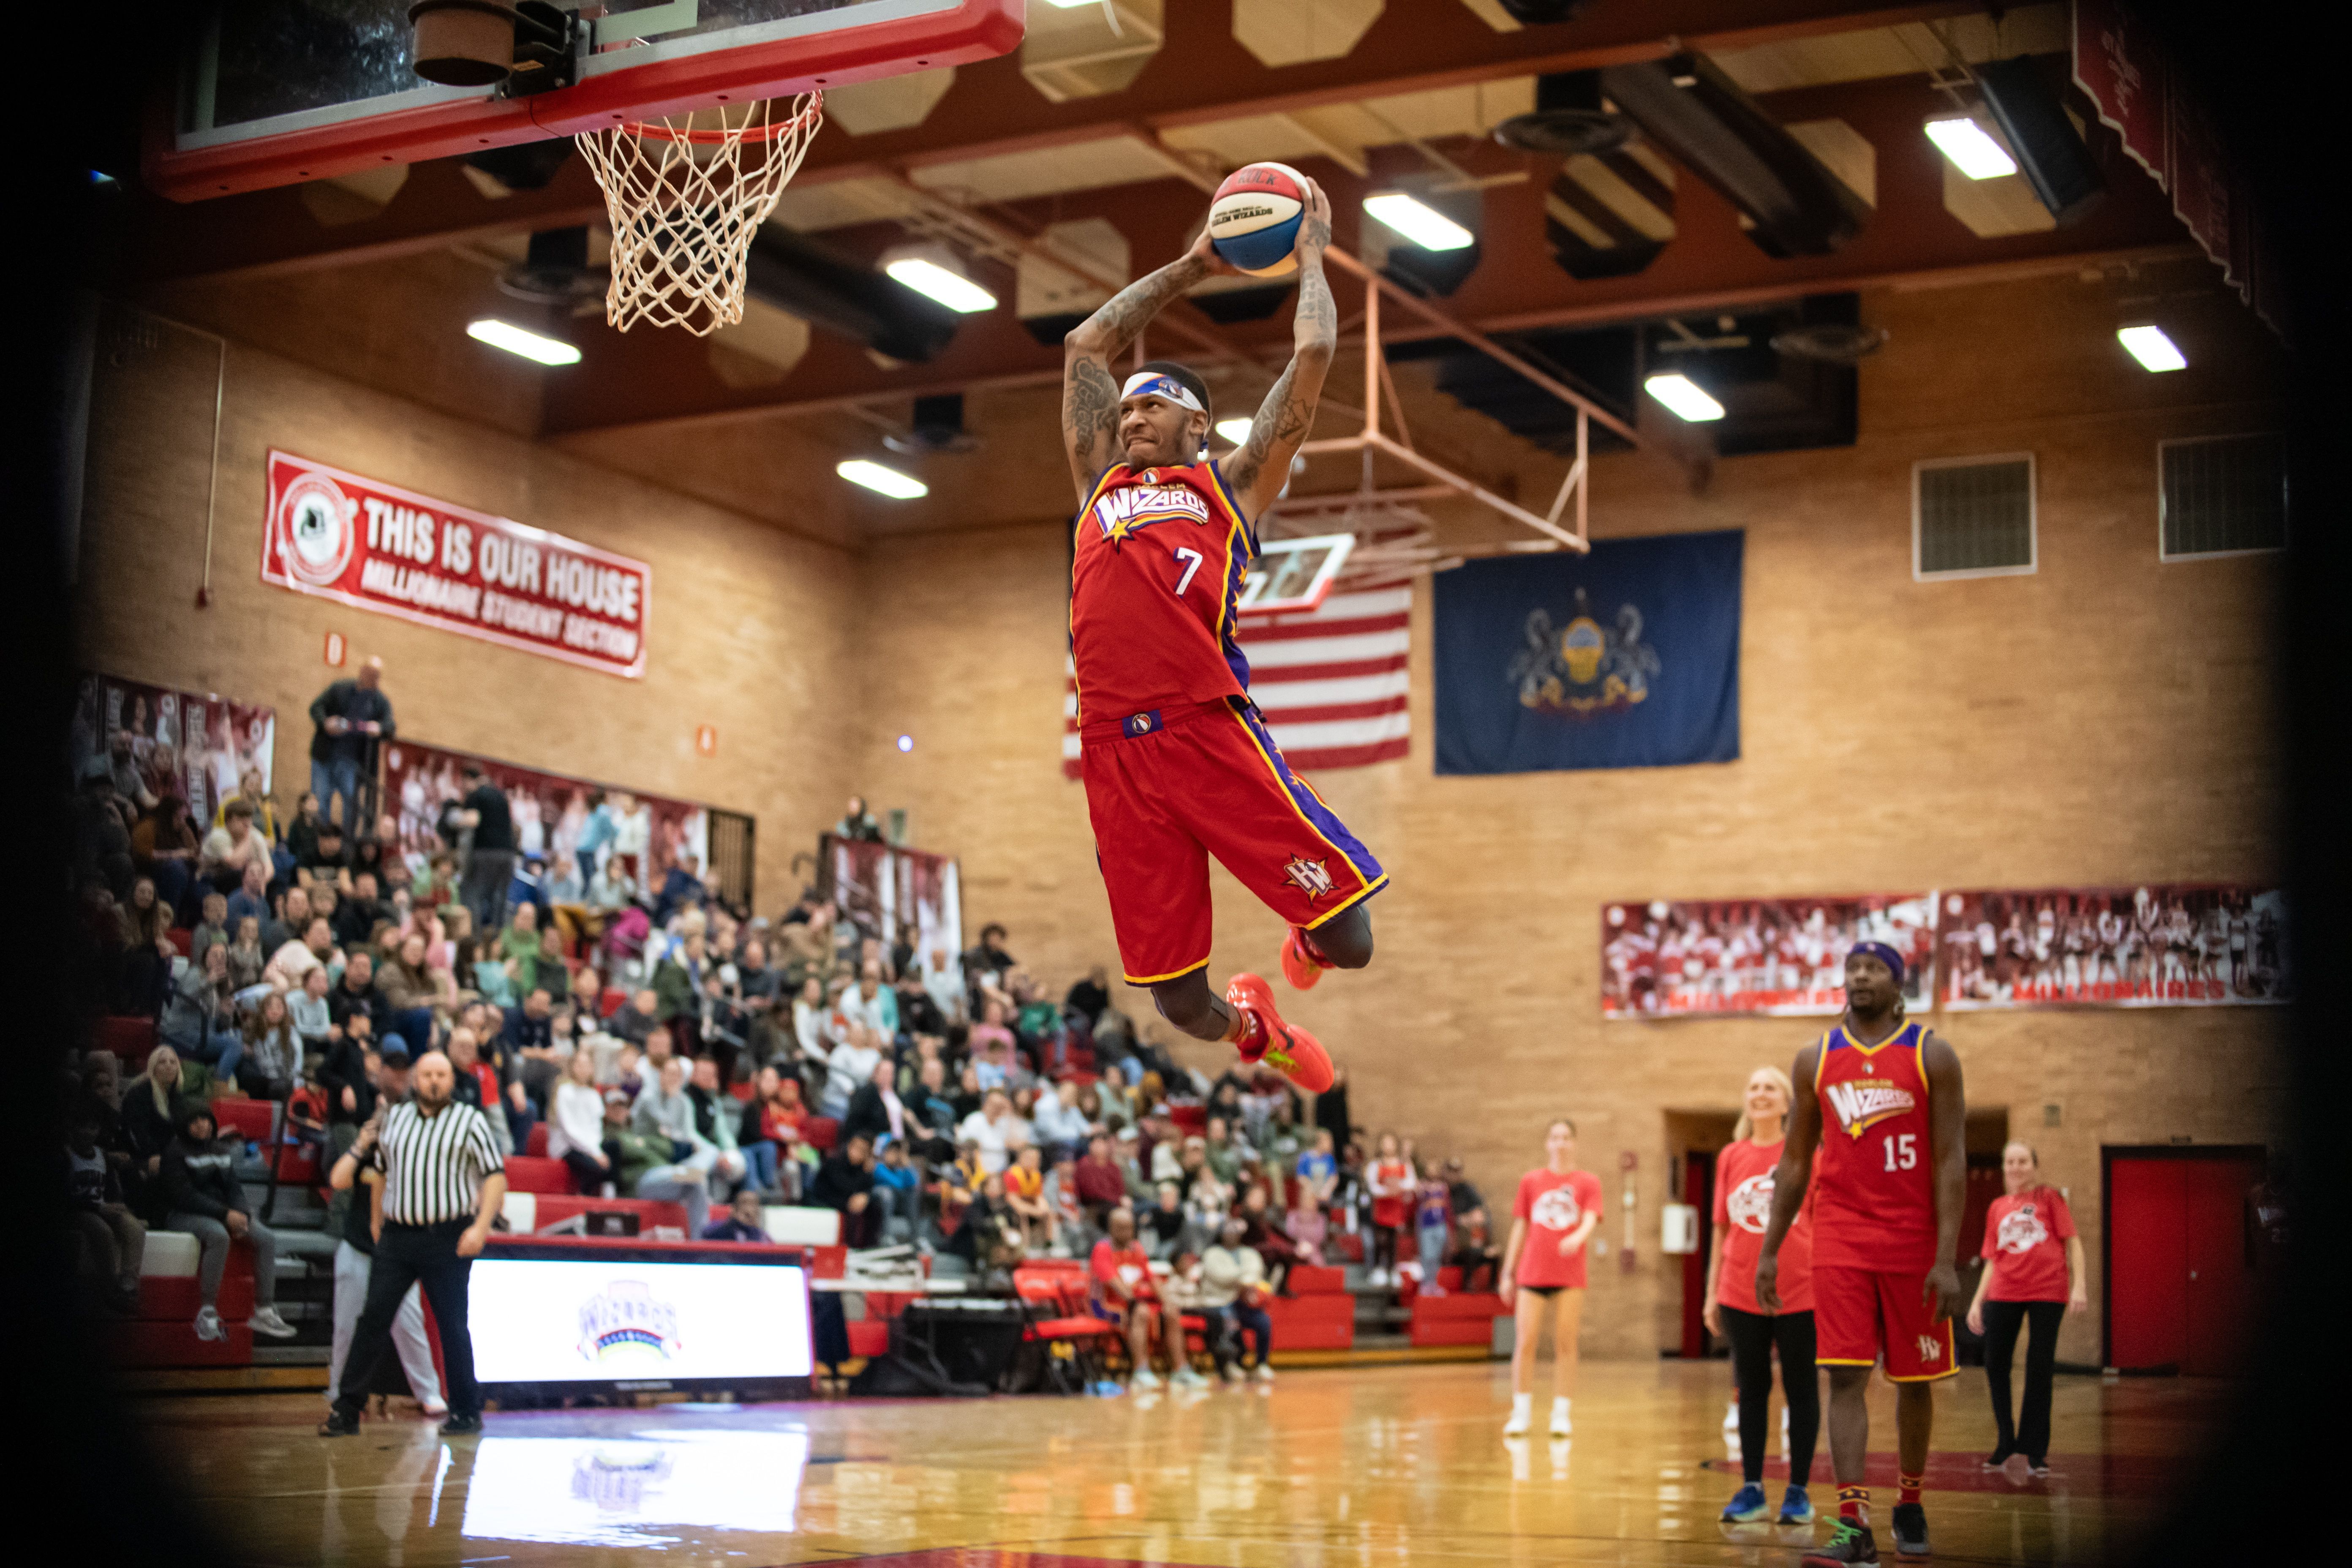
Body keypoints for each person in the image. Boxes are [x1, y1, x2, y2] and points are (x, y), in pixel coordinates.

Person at [1057, 172, 1372, 1097]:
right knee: (1178, 1006)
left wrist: (1308, 250)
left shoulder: (1228, 491)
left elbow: (1312, 353)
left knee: (1351, 942)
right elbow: (1088, 342)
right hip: (1113, 747)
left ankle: (1304, 934)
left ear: (1198, 423)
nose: (1129, 419)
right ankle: (1260, 1029)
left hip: (1208, 729)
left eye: (1149, 407)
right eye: (1124, 412)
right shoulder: (1095, 493)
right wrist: (1195, 263)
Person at [1756, 943, 1966, 1565]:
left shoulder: (1932, 1053)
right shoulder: (1814, 1058)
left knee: (1914, 1380)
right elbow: (1795, 1163)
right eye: (1852, 970)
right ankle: (1854, 1525)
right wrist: (1770, 1250)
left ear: (1897, 983)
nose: (1859, 978)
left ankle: (1910, 1500)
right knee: (1844, 1375)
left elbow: (1952, 1158)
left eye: (1873, 969)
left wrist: (1949, 1257)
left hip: (1914, 1241)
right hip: (1841, 1238)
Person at [319, 1048, 507, 1438]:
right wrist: (376, 1222)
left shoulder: (470, 1120)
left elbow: (494, 1176)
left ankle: (466, 1412)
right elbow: (380, 1175)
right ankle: (347, 1410)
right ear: (415, 1081)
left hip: (448, 1237)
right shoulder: (396, 1119)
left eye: (442, 1074)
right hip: (398, 1237)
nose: (435, 1081)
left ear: (451, 1080)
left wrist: (482, 1227)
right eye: (427, 1075)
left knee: (453, 1326)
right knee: (372, 1321)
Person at [1705, 1065, 1821, 1527]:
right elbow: (1721, 1227)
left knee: (1801, 1388)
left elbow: (1822, 1221)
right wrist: (1713, 1291)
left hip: (1800, 1288)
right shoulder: (1731, 1155)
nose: (1760, 1094)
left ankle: (1798, 1492)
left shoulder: (1807, 1154)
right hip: (1739, 1287)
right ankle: (1752, 1489)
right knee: (1751, 1389)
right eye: (1753, 1087)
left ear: (1787, 1101)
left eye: (1770, 1087)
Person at [1966, 1141, 2087, 1475]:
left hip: (2048, 1291)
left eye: (2023, 1161)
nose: (2016, 1167)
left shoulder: (2050, 1199)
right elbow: (1991, 1260)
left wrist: (2080, 1285)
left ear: (2033, 1166)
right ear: (2004, 1167)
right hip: (2004, 1291)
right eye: (2010, 1162)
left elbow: (2073, 1243)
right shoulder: (1997, 1207)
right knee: (1995, 1363)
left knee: (2039, 1366)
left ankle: (2035, 1450)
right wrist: (1978, 1301)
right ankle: (2006, 1443)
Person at [323, 1105, 446, 1420]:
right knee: (346, 1327)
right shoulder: (366, 1154)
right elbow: (337, 1181)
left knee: (409, 1325)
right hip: (357, 1250)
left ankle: (428, 1392)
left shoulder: (413, 1158)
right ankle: (339, 1391)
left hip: (396, 1256)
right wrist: (360, 1143)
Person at [158, 1105, 299, 1343]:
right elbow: (184, 1197)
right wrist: (225, 1215)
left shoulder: (220, 1149)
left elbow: (233, 1186)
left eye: (206, 1120)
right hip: (181, 1214)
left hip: (220, 1212)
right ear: (184, 1124)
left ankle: (264, 1311)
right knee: (218, 1236)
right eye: (195, 1121)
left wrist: (242, 1212)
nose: (202, 1125)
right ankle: (207, 1312)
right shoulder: (174, 1151)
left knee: (266, 1238)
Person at [1500, 1117, 1602, 1437]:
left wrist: (1578, 1238)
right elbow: (1521, 1226)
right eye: (1555, 1137)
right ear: (1547, 1143)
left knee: (1566, 1343)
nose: (1560, 1143)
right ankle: (1521, 1413)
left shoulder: (1588, 1182)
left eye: (1566, 1137)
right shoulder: (1531, 1181)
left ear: (1574, 1142)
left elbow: (1591, 1218)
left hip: (1569, 1275)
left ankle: (1561, 1414)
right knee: (1525, 1341)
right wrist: (1508, 1272)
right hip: (1532, 1272)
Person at [1090, 1207, 1187, 1391]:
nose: (1128, 1233)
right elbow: (1116, 1284)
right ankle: (1141, 1371)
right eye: (1123, 1228)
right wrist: (1139, 1301)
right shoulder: (1102, 1249)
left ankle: (1181, 1370)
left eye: (1130, 1228)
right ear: (1112, 1229)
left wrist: (1166, 1300)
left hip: (1135, 1302)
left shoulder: (1136, 1248)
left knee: (1171, 1311)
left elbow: (1150, 1277)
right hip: (1104, 1306)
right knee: (1142, 1311)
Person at [66, 1100, 146, 1313]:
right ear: (72, 1129)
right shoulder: (65, 1156)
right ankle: (109, 1289)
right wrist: (98, 1208)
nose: (88, 1133)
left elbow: (112, 1190)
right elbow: (61, 1197)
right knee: (102, 1231)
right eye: (82, 1127)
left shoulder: (102, 1155)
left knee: (135, 1228)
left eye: (93, 1128)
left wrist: (120, 1207)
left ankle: (128, 1287)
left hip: (101, 1207)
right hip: (77, 1210)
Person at [607, 1089, 711, 1236]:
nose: (620, 1111)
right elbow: (630, 1150)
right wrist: (646, 1144)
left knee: (698, 1182)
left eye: (623, 1107)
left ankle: (699, 1243)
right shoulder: (608, 1135)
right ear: (606, 1110)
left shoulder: (636, 1133)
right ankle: (695, 1170)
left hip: (664, 1176)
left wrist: (644, 1143)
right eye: (615, 1107)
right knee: (696, 1173)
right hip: (643, 1181)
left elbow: (668, 1149)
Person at [309, 657, 394, 829]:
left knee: (351, 806)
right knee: (321, 803)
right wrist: (326, 723)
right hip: (325, 757)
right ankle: (322, 842)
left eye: (377, 676)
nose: (373, 679)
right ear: (362, 672)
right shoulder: (340, 689)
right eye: (371, 674)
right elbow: (315, 708)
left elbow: (390, 726)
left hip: (352, 764)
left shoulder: (379, 701)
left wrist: (379, 728)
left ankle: (347, 847)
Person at [1201, 1215, 1276, 1382]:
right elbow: (1221, 1276)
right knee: (1229, 1320)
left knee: (1264, 1321)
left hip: (1245, 1303)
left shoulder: (1250, 1253)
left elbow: (1256, 1271)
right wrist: (1243, 1277)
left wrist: (1239, 1278)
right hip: (1220, 1302)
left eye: (1235, 1231)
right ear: (1221, 1234)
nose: (1231, 1235)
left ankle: (1262, 1364)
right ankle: (1233, 1364)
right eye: (1227, 1231)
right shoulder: (1212, 1254)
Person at [161, 941, 244, 1088]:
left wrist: (226, 1014)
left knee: (237, 1035)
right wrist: (208, 982)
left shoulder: (218, 986)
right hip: (180, 1034)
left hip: (201, 1035)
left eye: (223, 956)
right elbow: (184, 1001)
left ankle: (229, 1089)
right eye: (214, 954)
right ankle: (219, 1087)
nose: (219, 959)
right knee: (235, 1045)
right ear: (205, 957)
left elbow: (215, 1026)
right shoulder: (195, 974)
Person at [451, 763, 517, 935]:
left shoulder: (476, 795)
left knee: (475, 897)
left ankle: (476, 941)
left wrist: (454, 820)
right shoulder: (501, 797)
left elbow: (473, 820)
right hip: (507, 854)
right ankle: (497, 940)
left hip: (486, 853)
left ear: (469, 780)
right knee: (499, 900)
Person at [548, 1047, 613, 1195]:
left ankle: (611, 1195)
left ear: (592, 1068)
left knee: (614, 1147)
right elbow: (569, 1130)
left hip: (589, 1145)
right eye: (579, 1065)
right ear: (573, 1067)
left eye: (587, 1065)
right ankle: (582, 1197)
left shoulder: (594, 1095)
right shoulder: (564, 1091)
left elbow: (596, 1128)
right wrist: (593, 1153)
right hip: (567, 1146)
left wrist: (596, 1150)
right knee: (595, 1167)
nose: (583, 1069)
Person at [1365, 1133, 1412, 1288]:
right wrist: (1387, 1191)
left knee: (1393, 1240)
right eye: (1385, 1143)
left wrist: (1399, 1188)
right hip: (1381, 1210)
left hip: (1396, 1209)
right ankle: (1379, 1269)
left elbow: (1411, 1182)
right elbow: (1372, 1187)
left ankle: (1392, 1269)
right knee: (1380, 1240)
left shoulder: (1403, 1164)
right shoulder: (1376, 1165)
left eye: (1391, 1142)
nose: (1388, 1146)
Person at [704, 1187, 770, 1243]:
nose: (749, 1209)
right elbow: (706, 1237)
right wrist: (735, 1223)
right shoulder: (717, 1226)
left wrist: (751, 1229)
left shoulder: (763, 1237)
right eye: (744, 1203)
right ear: (734, 1209)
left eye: (753, 1205)